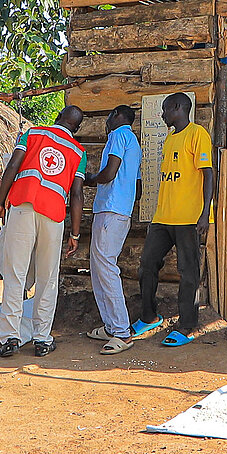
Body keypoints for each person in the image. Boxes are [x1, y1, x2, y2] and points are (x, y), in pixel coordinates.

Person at [0, 106, 87, 357]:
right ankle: (42, 339)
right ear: (76, 129)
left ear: (57, 117)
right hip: (53, 215)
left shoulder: (33, 133)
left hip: (22, 207)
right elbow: (77, 195)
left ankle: (10, 337)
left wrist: (1, 203)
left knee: (15, 275)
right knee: (47, 279)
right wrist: (75, 234)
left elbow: (12, 167)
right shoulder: (78, 151)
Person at [134, 93, 213, 346]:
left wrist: (204, 214)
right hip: (162, 218)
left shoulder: (197, 134)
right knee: (147, 263)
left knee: (188, 272)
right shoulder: (170, 138)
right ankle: (149, 316)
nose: (162, 114)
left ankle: (187, 325)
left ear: (178, 108)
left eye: (165, 109)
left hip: (188, 218)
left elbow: (209, 175)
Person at [84, 105, 141, 354]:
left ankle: (121, 331)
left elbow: (109, 172)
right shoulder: (135, 143)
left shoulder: (118, 135)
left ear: (117, 115)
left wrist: (88, 179)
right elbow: (136, 188)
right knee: (100, 268)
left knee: (105, 268)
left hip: (110, 210)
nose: (106, 121)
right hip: (119, 210)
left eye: (108, 116)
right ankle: (111, 326)